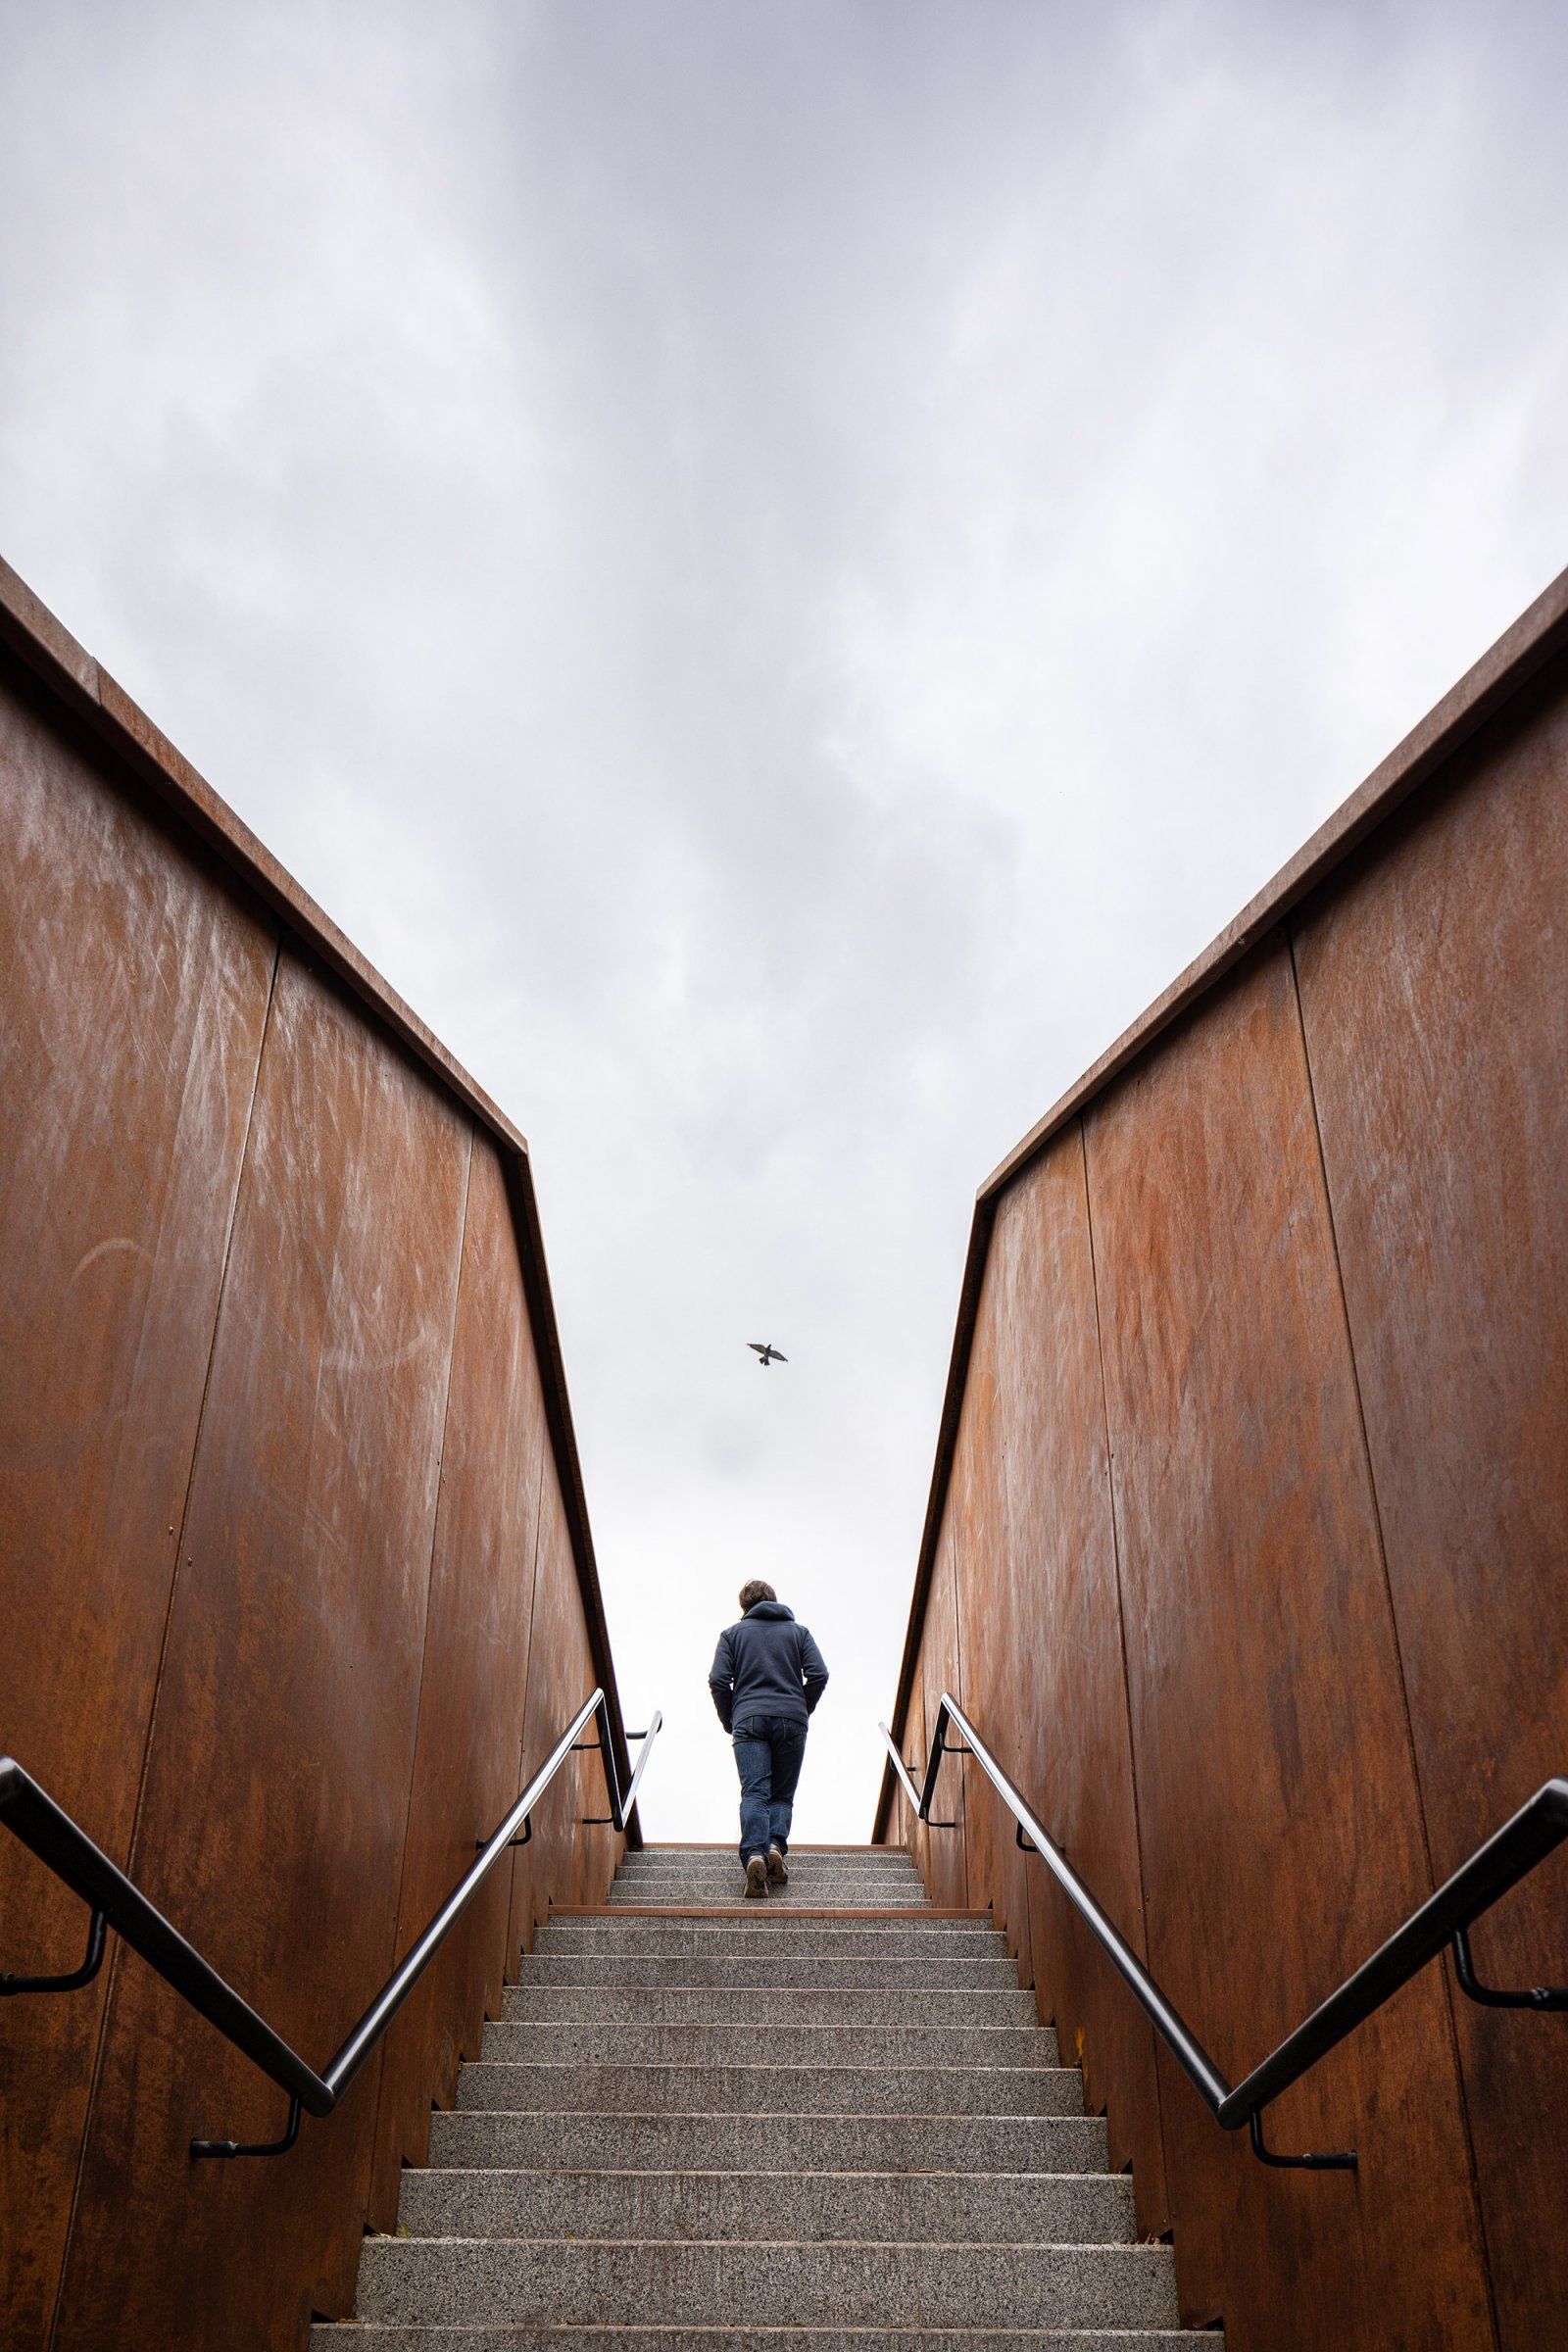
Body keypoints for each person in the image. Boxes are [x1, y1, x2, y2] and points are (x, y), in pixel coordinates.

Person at [708, 1579, 829, 1898]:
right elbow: (819, 1674)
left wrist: (730, 1719)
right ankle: (775, 1846)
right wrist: (801, 1707)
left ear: (744, 1607)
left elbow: (718, 1680)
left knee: (755, 1792)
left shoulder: (732, 1636)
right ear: (774, 1601)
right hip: (792, 1719)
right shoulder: (798, 1632)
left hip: (748, 1719)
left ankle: (755, 1855)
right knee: (781, 1796)